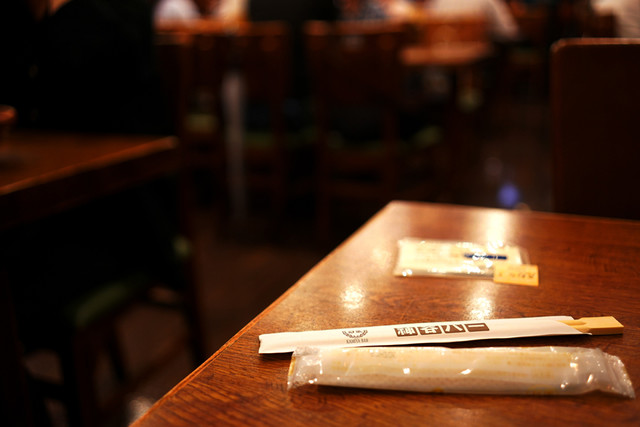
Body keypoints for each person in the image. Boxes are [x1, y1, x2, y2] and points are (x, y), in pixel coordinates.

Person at [424, 0, 520, 42]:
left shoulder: (437, 2)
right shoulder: (490, 1)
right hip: (479, 64)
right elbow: (509, 32)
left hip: (443, 62)